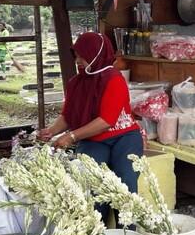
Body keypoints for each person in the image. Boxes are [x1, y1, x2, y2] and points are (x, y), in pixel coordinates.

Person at [38, 32, 142, 223]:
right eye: (76, 56)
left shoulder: (114, 79)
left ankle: (126, 233)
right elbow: (68, 115)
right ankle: (96, 232)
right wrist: (52, 131)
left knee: (125, 182)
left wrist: (71, 137)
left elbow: (106, 121)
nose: (78, 61)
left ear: (97, 54)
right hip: (93, 140)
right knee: (92, 183)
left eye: (83, 56)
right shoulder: (75, 83)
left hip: (124, 137)